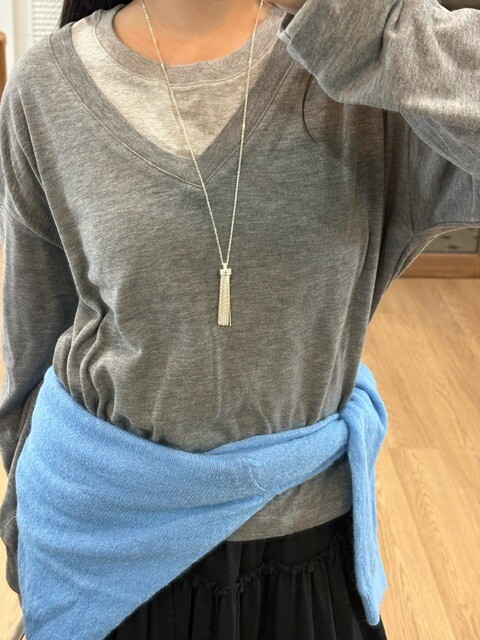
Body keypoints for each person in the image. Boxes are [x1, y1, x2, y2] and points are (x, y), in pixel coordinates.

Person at [0, 0, 478, 638]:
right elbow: (33, 341)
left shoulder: (365, 74)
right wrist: (29, 540)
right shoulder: (44, 87)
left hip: (307, 547)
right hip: (101, 547)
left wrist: (359, 26)